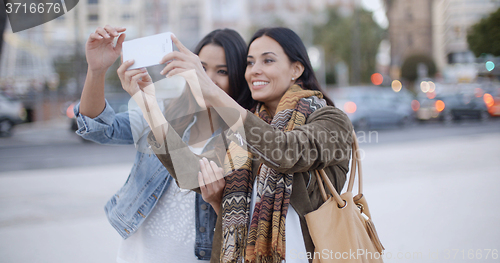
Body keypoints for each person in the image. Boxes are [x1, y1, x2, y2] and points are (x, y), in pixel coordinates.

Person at [132, 27, 354, 263]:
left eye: (267, 60)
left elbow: (285, 151)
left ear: (296, 69)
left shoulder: (332, 121)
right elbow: (193, 175)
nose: (255, 70)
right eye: (250, 62)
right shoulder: (238, 130)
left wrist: (210, 89)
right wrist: (149, 107)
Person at [74, 25, 254, 262]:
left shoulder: (245, 133)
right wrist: (96, 71)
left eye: (222, 71)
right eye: (200, 68)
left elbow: (190, 175)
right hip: (138, 254)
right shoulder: (166, 111)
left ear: (240, 75)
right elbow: (100, 129)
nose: (207, 79)